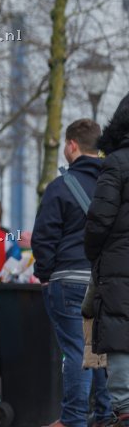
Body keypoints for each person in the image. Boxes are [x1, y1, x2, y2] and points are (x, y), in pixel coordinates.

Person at [32, 119, 113, 427]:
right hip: (107, 281)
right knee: (103, 351)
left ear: (71, 145)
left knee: (77, 352)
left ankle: (74, 419)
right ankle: (108, 417)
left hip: (69, 280)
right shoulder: (115, 186)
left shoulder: (59, 187)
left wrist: (45, 275)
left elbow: (44, 237)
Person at [86, 94, 129, 425]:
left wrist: (94, 250)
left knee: (120, 331)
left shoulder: (117, 163)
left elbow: (100, 219)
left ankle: (125, 410)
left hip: (120, 265)